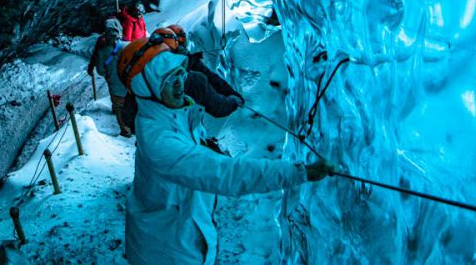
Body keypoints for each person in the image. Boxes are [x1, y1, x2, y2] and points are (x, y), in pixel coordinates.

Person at [117, 43, 336, 264]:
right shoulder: (158, 141)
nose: (180, 85)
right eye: (168, 81)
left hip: (172, 235)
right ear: (146, 89)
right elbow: (223, 174)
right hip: (167, 250)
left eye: (180, 74)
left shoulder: (175, 114)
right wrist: (299, 172)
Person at [88, 18, 133, 136]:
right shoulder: (129, 46)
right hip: (131, 83)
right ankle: (134, 127)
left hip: (115, 85)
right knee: (131, 104)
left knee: (119, 107)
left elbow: (101, 72)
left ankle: (125, 130)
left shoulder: (102, 52)